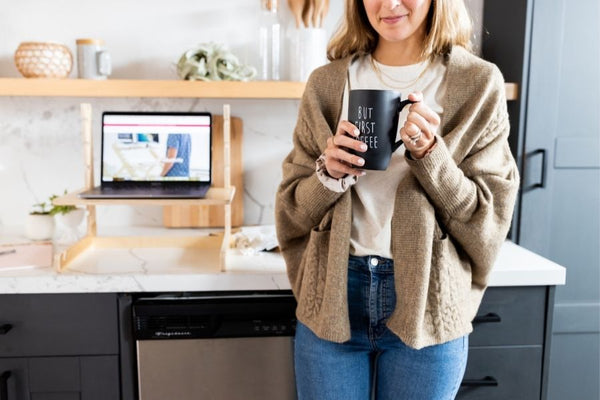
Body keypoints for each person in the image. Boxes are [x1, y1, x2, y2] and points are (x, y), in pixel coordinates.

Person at [275, 0, 520, 399]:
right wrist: (329, 175)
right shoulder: (326, 83)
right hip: (332, 297)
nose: (388, 4)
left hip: (429, 302)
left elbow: (488, 218)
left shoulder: (477, 83)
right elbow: (291, 210)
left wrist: (430, 157)